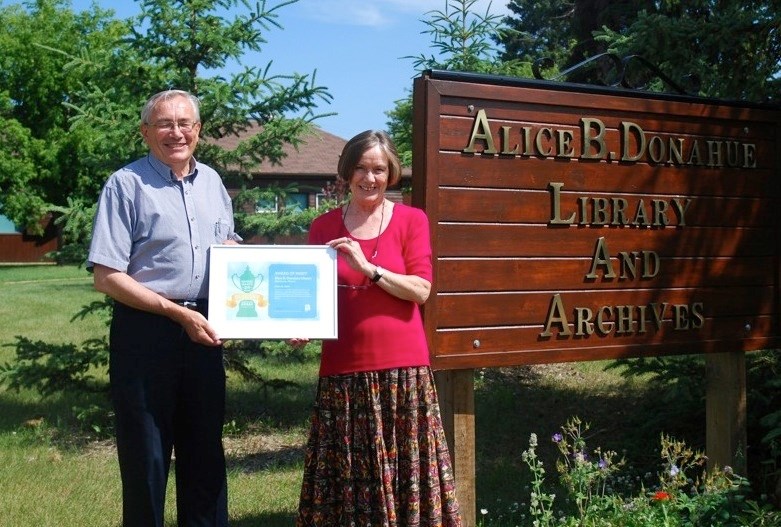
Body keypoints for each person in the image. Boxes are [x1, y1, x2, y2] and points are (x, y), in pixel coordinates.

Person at [87, 89, 240, 527]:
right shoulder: (126, 184)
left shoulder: (212, 182)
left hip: (207, 329)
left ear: (199, 130)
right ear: (145, 132)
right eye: (165, 124)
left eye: (185, 123)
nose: (176, 133)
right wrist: (178, 315)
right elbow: (107, 275)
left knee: (205, 451)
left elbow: (227, 246)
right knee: (147, 456)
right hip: (146, 332)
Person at [296, 130, 462, 526]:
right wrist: (299, 323)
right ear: (346, 171)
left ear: (391, 174)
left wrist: (368, 269)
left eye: (379, 169)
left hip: (402, 372)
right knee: (349, 480)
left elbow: (420, 290)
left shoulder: (410, 220)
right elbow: (310, 294)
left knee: (407, 476)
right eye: (361, 168)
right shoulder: (323, 227)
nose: (369, 178)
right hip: (343, 373)